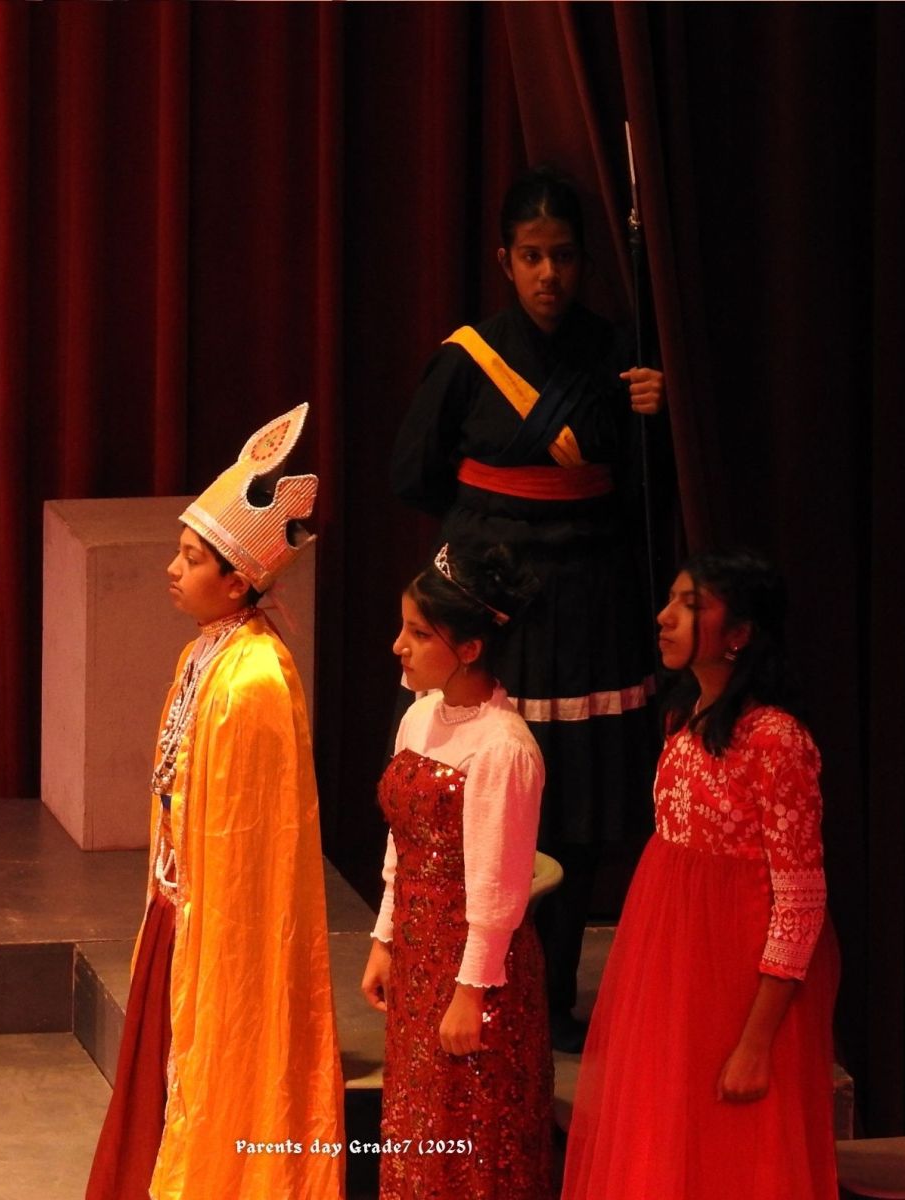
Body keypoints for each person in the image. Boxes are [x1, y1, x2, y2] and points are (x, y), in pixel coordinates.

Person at [391, 165, 667, 1051]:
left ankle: (552, 997)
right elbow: (413, 475)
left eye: (565, 257)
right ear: (505, 260)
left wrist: (654, 420)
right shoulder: (468, 358)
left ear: (584, 262)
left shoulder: (620, 356)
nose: (550, 274)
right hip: (496, 604)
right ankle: (469, 977)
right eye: (533, 256)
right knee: (486, 795)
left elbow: (648, 495)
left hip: (590, 606)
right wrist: (490, 530)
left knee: (573, 801)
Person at [86, 404, 344, 1200]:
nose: (172, 568)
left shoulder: (254, 679)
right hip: (180, 910)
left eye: (191, 558)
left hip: (219, 926)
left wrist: (205, 923)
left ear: (237, 581)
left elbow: (253, 840)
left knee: (211, 1075)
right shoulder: (206, 652)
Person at [560, 549, 841, 1199]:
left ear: (738, 633)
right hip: (675, 968)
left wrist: (756, 1042)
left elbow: (800, 900)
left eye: (690, 606)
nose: (664, 617)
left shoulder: (775, 739)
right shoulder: (682, 719)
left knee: (733, 1155)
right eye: (669, 601)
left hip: (739, 982)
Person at [360, 544, 554, 1199]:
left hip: (477, 970)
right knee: (419, 1125)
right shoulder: (419, 717)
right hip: (418, 957)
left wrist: (471, 992)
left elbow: (501, 889)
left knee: (472, 1137)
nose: (399, 646)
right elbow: (402, 848)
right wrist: (384, 940)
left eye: (419, 634)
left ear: (469, 649)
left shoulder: (504, 748)